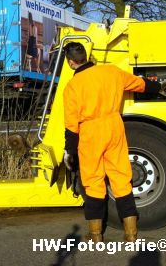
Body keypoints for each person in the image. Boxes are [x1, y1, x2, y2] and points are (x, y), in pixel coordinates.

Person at [61, 42, 160, 243]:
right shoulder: (111, 72)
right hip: (114, 126)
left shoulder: (72, 87)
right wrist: (159, 86)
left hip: (90, 132)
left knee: (94, 182)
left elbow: (71, 126)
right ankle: (131, 234)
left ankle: (96, 234)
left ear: (71, 63)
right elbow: (141, 84)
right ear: (86, 56)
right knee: (122, 178)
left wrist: (69, 151)